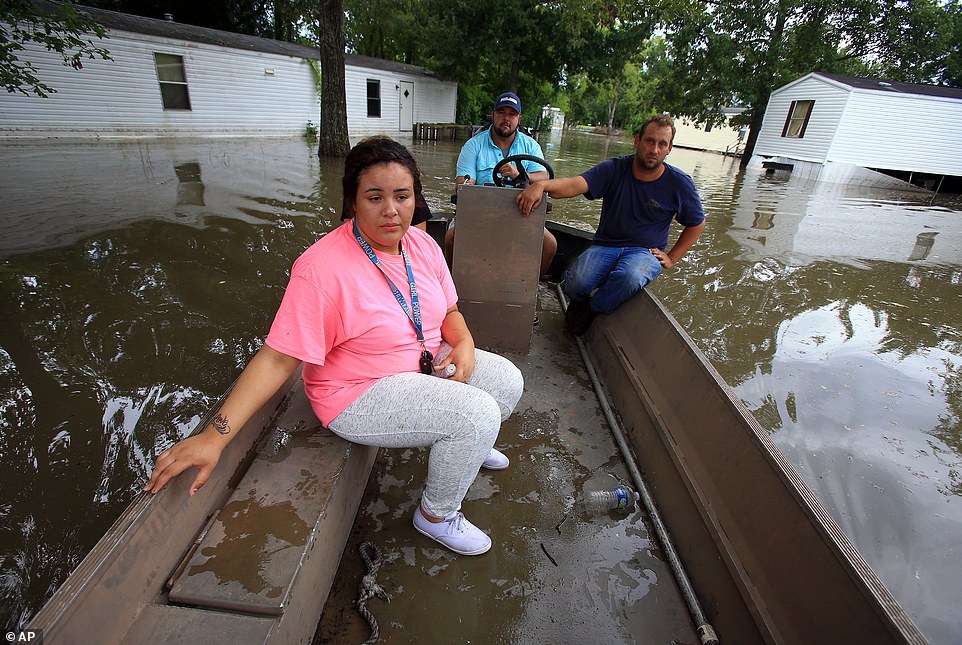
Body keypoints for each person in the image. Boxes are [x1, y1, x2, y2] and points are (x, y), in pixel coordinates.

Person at [146, 136, 524, 557]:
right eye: (375, 197)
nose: (391, 210)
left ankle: (468, 446)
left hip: (421, 360)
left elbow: (450, 311)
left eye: (403, 196)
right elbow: (276, 357)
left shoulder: (423, 245)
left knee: (507, 381)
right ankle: (436, 515)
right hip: (359, 390)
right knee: (476, 413)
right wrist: (213, 437)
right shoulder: (321, 269)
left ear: (416, 198)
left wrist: (466, 342)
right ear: (353, 201)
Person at [517, 115, 705, 335]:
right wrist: (541, 185)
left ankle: (590, 308)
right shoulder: (615, 169)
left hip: (645, 252)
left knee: (630, 276)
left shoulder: (679, 183)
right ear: (637, 141)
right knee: (575, 282)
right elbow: (575, 184)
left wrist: (672, 257)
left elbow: (697, 224)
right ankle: (579, 299)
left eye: (662, 144)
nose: (654, 149)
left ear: (669, 148)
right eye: (649, 141)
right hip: (606, 245)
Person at [447, 92, 558, 278]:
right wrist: (466, 184)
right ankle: (451, 287)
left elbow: (544, 177)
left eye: (512, 114)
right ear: (493, 115)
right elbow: (463, 184)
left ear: (519, 119)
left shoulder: (531, 146)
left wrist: (519, 175)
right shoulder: (473, 146)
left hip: (522, 213)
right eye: (501, 112)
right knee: (451, 238)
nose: (506, 118)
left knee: (550, 245)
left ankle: (530, 285)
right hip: (481, 213)